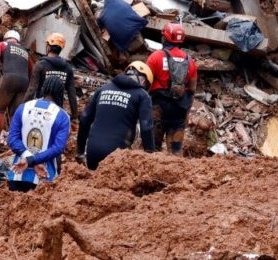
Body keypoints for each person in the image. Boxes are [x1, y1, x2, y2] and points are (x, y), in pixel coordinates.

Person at [77, 60, 156, 170]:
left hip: (92, 152)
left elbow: (84, 118)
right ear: (144, 82)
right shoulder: (142, 95)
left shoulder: (103, 89)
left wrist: (80, 151)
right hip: (117, 157)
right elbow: (146, 127)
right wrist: (150, 156)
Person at [6, 78, 72, 193]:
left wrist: (27, 158)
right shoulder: (62, 116)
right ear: (61, 94)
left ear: (43, 89)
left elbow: (12, 140)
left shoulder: (23, 107)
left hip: (18, 174)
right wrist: (33, 161)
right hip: (45, 177)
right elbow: (58, 148)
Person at [146, 23, 198, 154]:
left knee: (151, 150)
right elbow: (192, 90)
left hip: (158, 110)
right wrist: (186, 115)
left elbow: (145, 84)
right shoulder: (190, 61)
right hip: (179, 111)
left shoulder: (155, 57)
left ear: (165, 37)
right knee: (175, 152)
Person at [0, 30, 32, 148]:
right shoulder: (25, 51)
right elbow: (32, 70)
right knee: (15, 114)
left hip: (9, 79)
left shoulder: (2, 45)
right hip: (24, 82)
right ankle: (13, 144)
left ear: (6, 38)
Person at [28, 33, 78, 119]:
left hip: (39, 109)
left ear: (48, 47)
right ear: (61, 49)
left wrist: (23, 107)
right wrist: (75, 115)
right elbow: (72, 94)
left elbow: (31, 89)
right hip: (56, 112)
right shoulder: (68, 68)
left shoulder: (40, 65)